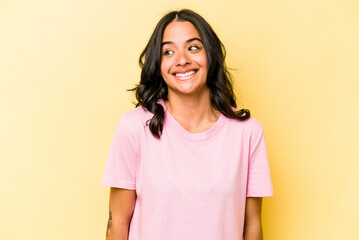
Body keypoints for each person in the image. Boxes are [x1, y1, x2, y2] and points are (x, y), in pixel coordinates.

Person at [102, 9, 273, 240]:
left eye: (193, 47)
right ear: (158, 64)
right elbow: (117, 225)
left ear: (210, 54)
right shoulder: (134, 128)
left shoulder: (248, 131)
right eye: (168, 52)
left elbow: (252, 226)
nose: (182, 60)